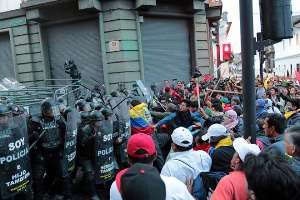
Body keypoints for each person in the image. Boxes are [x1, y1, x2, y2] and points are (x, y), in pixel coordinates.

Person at [109, 133, 195, 200]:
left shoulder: (116, 187)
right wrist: (187, 194)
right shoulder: (175, 186)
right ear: (155, 156)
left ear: (128, 159)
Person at [28, 98, 72, 200]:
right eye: (50, 109)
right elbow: (26, 139)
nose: (53, 111)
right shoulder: (35, 122)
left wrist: (64, 126)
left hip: (57, 152)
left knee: (65, 176)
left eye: (54, 108)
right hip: (42, 153)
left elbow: (68, 134)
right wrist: (33, 136)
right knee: (37, 180)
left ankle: (67, 196)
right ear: (44, 110)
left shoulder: (58, 120)